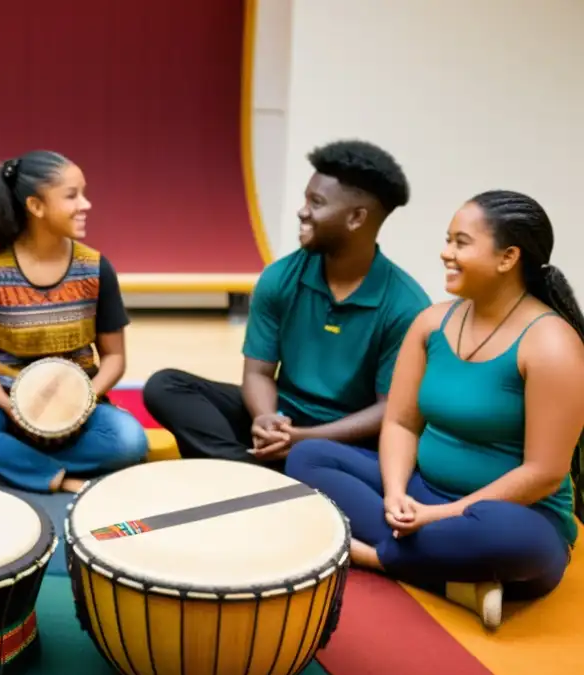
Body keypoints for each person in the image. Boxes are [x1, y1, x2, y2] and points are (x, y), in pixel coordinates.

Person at [286, 190, 584, 629]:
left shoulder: (552, 345)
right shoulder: (431, 323)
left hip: (513, 516)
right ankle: (455, 579)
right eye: (448, 240)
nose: (446, 253)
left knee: (505, 535)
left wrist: (437, 516)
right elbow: (402, 423)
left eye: (461, 242)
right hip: (422, 493)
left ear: (508, 258)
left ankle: (372, 555)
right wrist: (395, 494)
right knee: (308, 457)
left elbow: (544, 473)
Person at [143, 139, 430, 470]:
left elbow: (390, 410)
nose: (302, 210)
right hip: (283, 418)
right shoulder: (280, 277)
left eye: (316, 202)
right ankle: (249, 471)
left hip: (346, 440)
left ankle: (242, 470)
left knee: (339, 458)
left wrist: (305, 439)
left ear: (356, 218)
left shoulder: (406, 306)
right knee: (166, 387)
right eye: (305, 199)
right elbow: (258, 372)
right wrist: (266, 418)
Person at [0, 150, 149, 493]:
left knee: (129, 440)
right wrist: (13, 409)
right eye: (72, 195)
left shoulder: (96, 268)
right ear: (36, 207)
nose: (86, 205)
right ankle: (57, 477)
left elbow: (114, 357)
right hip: (5, 407)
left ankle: (10, 464)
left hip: (76, 406)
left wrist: (80, 403)